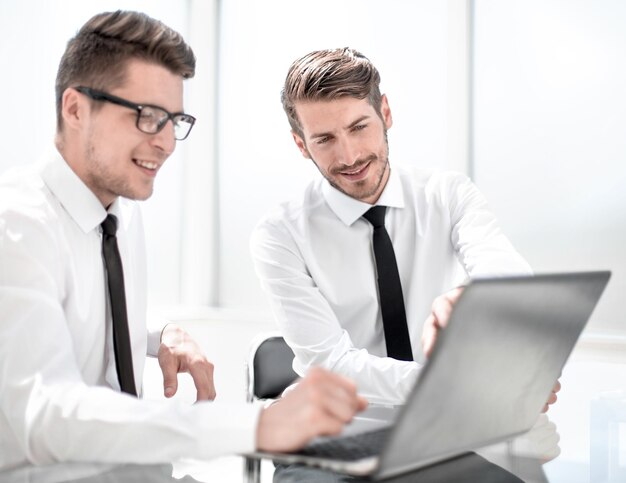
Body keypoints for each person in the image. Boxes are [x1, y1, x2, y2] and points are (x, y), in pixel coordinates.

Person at [0, 13, 366, 470]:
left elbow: (76, 307)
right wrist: (255, 425)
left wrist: (157, 334)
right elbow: (48, 417)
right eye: (148, 117)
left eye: (174, 120)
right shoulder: (15, 226)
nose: (168, 143)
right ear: (75, 109)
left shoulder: (121, 215)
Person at [251, 47, 560, 408]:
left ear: (385, 112)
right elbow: (331, 365)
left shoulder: (447, 195)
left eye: (359, 127)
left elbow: (506, 273)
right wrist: (461, 387)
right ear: (301, 144)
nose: (349, 156)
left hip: (452, 429)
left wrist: (478, 300)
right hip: (337, 431)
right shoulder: (280, 235)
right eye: (325, 140)